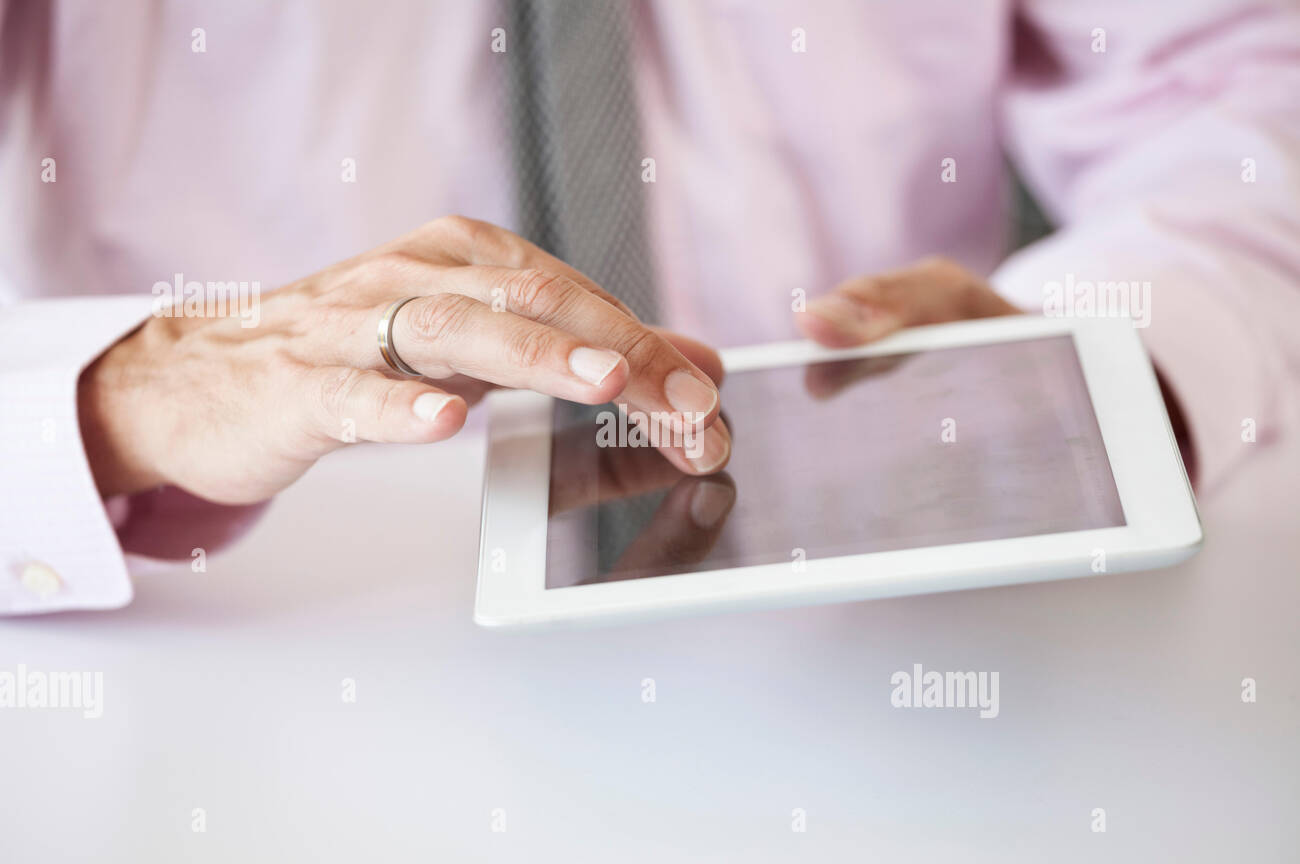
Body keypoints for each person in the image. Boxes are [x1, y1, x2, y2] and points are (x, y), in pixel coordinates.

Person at [2, 0, 1296, 614]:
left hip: (911, 602)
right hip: (250, 633)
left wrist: (1109, 368)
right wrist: (107, 396)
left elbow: (1235, 84)